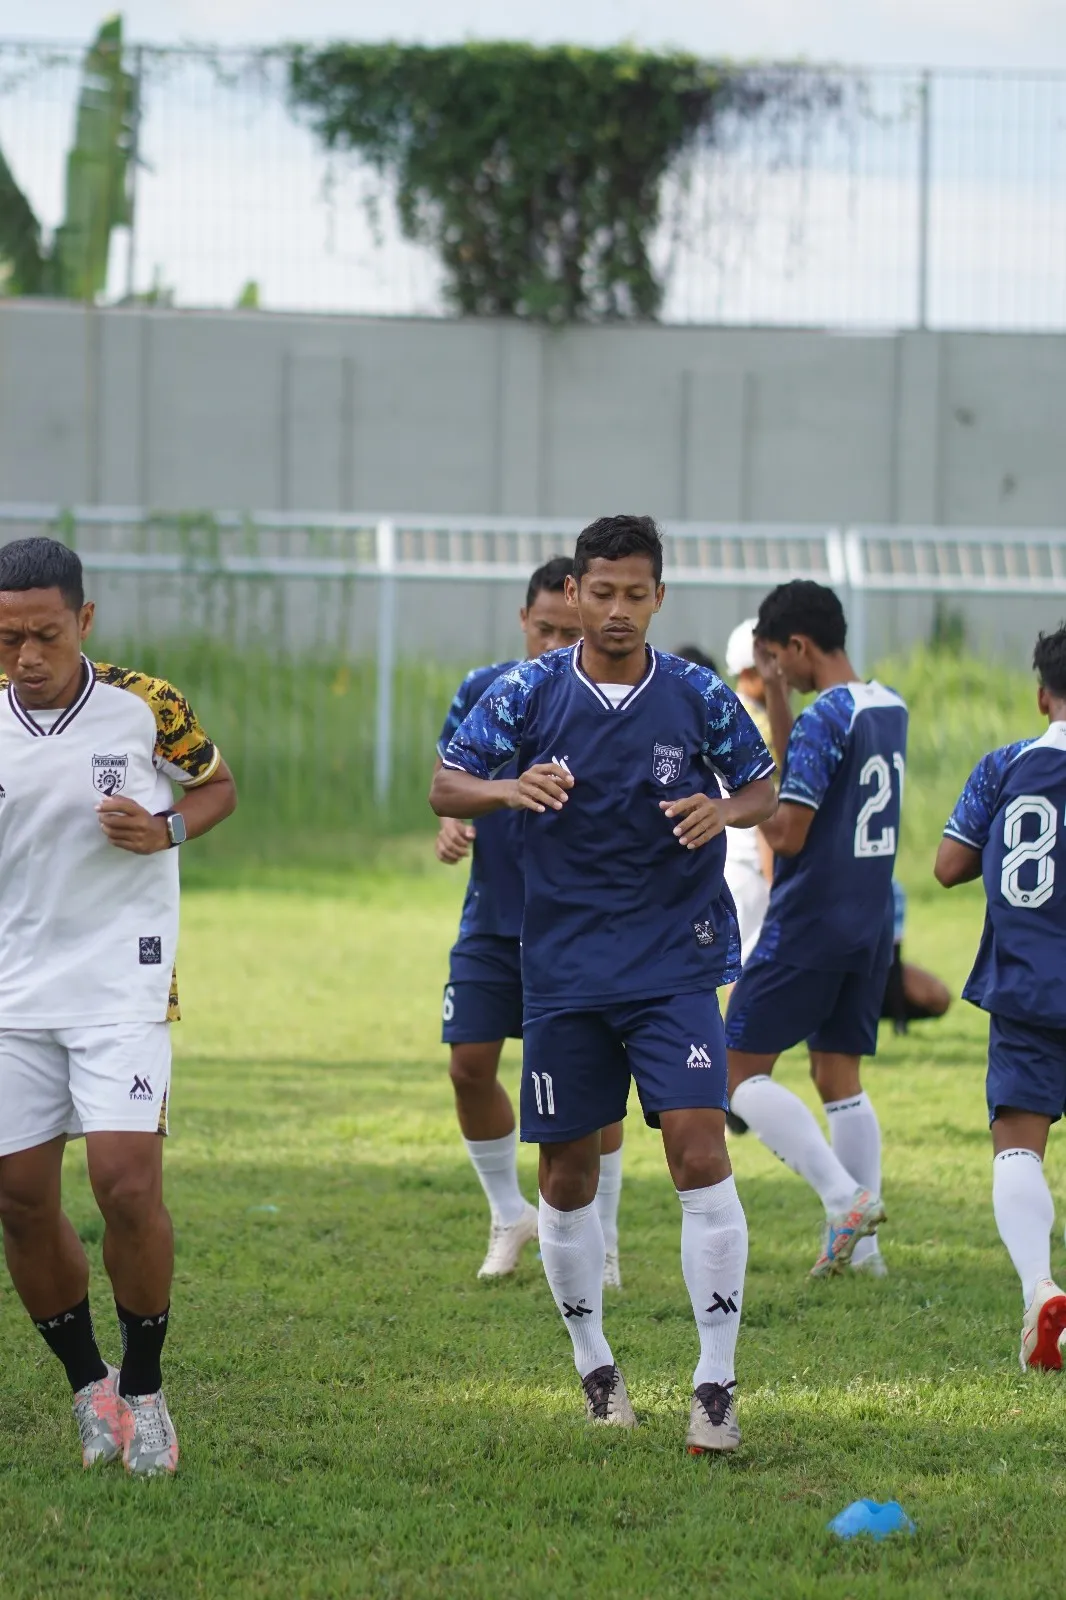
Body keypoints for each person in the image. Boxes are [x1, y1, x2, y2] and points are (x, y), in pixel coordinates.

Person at [431, 515, 776, 1455]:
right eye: (602, 593)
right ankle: (596, 1366)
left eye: (637, 594)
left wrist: (723, 807)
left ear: (659, 597)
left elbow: (762, 787)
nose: (618, 611)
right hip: (565, 970)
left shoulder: (699, 695)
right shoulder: (527, 691)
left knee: (701, 1152)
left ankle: (714, 1383)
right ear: (575, 594)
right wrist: (509, 790)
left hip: (673, 963)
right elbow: (445, 783)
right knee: (568, 1174)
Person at [0, 537, 237, 1475]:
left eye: (45, 635)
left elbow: (216, 787)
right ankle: (89, 1387)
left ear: (84, 624)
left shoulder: (147, 707)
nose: (25, 656)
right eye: (8, 636)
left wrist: (165, 828)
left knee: (126, 1187)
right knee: (18, 1199)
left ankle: (146, 1389)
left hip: (124, 982)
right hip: (13, 992)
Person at [435, 558, 626, 1287]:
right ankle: (508, 1213)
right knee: (467, 1066)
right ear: (523, 620)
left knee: (592, 1087)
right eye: (543, 628)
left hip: (581, 926)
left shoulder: (610, 702)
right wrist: (456, 821)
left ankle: (603, 1237)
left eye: (565, 632)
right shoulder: (487, 691)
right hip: (493, 915)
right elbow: (452, 783)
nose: (552, 644)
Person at [725, 580, 907, 1279]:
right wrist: (776, 702)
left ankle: (843, 1199)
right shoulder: (887, 704)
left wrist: (733, 806)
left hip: (809, 922)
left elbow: (790, 831)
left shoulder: (825, 716)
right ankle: (864, 1255)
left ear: (798, 646)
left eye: (777, 662)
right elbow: (813, 764)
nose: (779, 675)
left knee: (738, 1074)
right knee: (839, 1075)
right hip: (869, 922)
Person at [935, 625, 1066, 1371]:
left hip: (1026, 982)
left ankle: (1038, 1289)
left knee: (1018, 1141)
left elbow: (949, 864)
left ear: (1043, 694)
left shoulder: (1006, 764)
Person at [880, 881, 952, 1034]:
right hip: (829, 963)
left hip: (875, 967)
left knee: (938, 997)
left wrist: (899, 1020)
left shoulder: (891, 888)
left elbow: (893, 957)